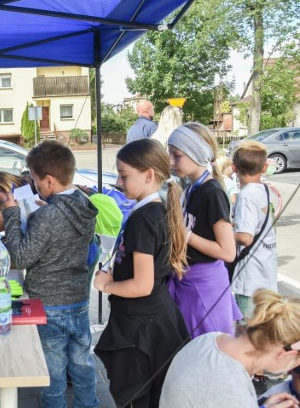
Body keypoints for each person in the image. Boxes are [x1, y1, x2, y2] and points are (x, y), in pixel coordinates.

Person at [1, 140, 100, 408]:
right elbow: (62, 227)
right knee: (82, 363)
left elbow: (20, 257)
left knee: (53, 372)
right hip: (79, 300)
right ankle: (88, 404)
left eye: (34, 179)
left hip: (49, 305)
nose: (32, 184)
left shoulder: (48, 216)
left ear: (48, 181)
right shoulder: (83, 201)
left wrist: (11, 214)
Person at [93, 138, 190, 408]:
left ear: (148, 175)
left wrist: (106, 285)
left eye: (124, 176)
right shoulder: (154, 211)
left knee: (140, 398)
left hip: (141, 326)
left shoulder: (144, 218)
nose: (119, 182)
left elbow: (142, 285)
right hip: (152, 320)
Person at [160, 289, 300, 408]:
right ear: (285, 354)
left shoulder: (209, 339)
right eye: (294, 365)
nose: (289, 370)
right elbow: (225, 395)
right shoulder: (233, 390)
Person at [167, 122, 241, 338]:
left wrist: (185, 235)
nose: (171, 162)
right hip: (188, 281)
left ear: (197, 152)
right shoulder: (190, 187)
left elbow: (228, 252)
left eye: (177, 155)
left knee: (209, 351)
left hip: (205, 287)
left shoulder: (212, 193)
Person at [231, 140, 278, 319]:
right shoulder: (265, 190)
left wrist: (226, 230)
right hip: (266, 272)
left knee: (250, 330)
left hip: (250, 279)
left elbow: (245, 238)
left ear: (234, 168)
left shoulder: (246, 195)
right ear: (264, 167)